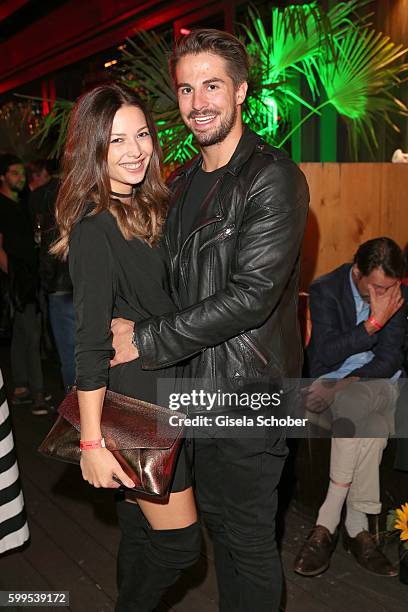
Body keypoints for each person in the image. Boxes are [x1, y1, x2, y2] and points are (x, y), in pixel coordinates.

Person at [110, 29, 309, 611]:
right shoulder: (176, 184)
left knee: (244, 541)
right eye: (187, 88)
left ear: (241, 90)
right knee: (177, 530)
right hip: (181, 384)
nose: (199, 102)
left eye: (213, 86)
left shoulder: (272, 177)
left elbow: (250, 297)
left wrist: (143, 338)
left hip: (247, 391)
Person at [51, 83, 200, 612]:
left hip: (163, 390)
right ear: (94, 149)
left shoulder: (145, 208)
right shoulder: (95, 229)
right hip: (135, 409)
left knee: (140, 532)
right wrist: (92, 442)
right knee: (181, 546)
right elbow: (89, 344)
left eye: (141, 135)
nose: (136, 150)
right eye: (117, 141)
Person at [295, 237, 406, 578]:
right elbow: (322, 357)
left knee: (350, 399)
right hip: (338, 388)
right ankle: (358, 530)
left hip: (379, 387)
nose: (385, 295)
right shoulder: (327, 289)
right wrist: (372, 323)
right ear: (357, 271)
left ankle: (326, 522)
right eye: (376, 287)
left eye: (390, 288)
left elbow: (389, 360)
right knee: (370, 427)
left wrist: (343, 383)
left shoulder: (397, 293)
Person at [0, 154, 48, 415]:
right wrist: (14, 278)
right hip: (18, 280)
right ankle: (38, 393)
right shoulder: (2, 205)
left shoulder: (22, 202)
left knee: (23, 332)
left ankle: (20, 386)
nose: (21, 178)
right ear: (3, 176)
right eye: (15, 173)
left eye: (22, 173)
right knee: (31, 333)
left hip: (31, 275)